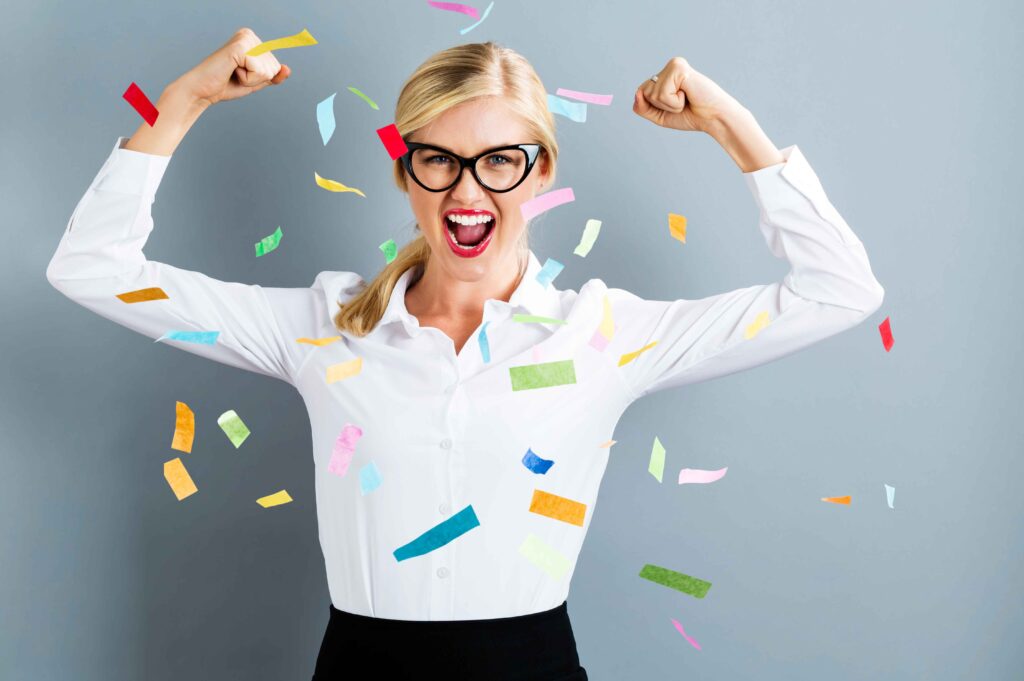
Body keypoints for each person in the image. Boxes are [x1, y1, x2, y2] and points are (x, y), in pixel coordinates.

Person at [45, 27, 885, 680]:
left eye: (499, 162)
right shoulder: (325, 325)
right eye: (439, 160)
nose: (468, 191)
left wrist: (730, 126)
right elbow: (91, 269)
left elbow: (841, 291)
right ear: (405, 174)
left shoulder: (605, 335)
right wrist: (184, 99)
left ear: (540, 171)